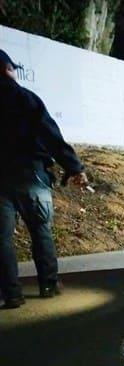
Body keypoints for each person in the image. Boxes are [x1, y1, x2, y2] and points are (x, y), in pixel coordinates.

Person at [0, 49, 88, 309]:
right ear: (7, 68)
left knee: (1, 238)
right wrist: (75, 168)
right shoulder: (26, 99)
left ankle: (12, 293)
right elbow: (52, 137)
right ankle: (48, 284)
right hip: (32, 174)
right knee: (40, 230)